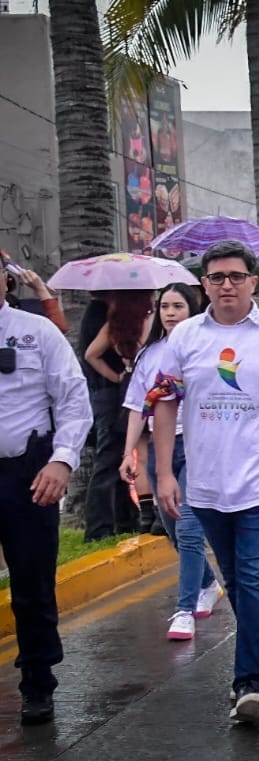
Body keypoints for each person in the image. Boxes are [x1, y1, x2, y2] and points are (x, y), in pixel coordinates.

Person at [152, 240, 259, 725]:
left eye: (235, 276)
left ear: (253, 282)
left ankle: (246, 681)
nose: (226, 285)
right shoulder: (185, 336)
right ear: (203, 285)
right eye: (216, 277)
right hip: (206, 485)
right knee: (237, 581)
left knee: (254, 581)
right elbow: (164, 403)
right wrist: (164, 472)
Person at [0, 265, 92, 725]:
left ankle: (38, 682)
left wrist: (61, 460)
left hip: (27, 473)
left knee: (32, 585)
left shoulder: (37, 333)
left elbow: (74, 401)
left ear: (6, 280)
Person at [120, 283, 223, 642]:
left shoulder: (203, 349)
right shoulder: (149, 355)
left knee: (189, 529)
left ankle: (184, 610)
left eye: (178, 305)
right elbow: (137, 406)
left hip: (197, 447)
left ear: (192, 309)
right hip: (161, 451)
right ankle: (208, 583)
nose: (170, 312)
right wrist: (127, 452)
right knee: (172, 529)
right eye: (164, 306)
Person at [81, 293, 148, 540]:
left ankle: (126, 519)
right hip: (112, 395)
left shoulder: (123, 319)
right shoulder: (111, 319)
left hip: (120, 390)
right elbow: (91, 355)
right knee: (109, 458)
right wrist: (117, 376)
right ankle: (98, 529)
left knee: (121, 457)